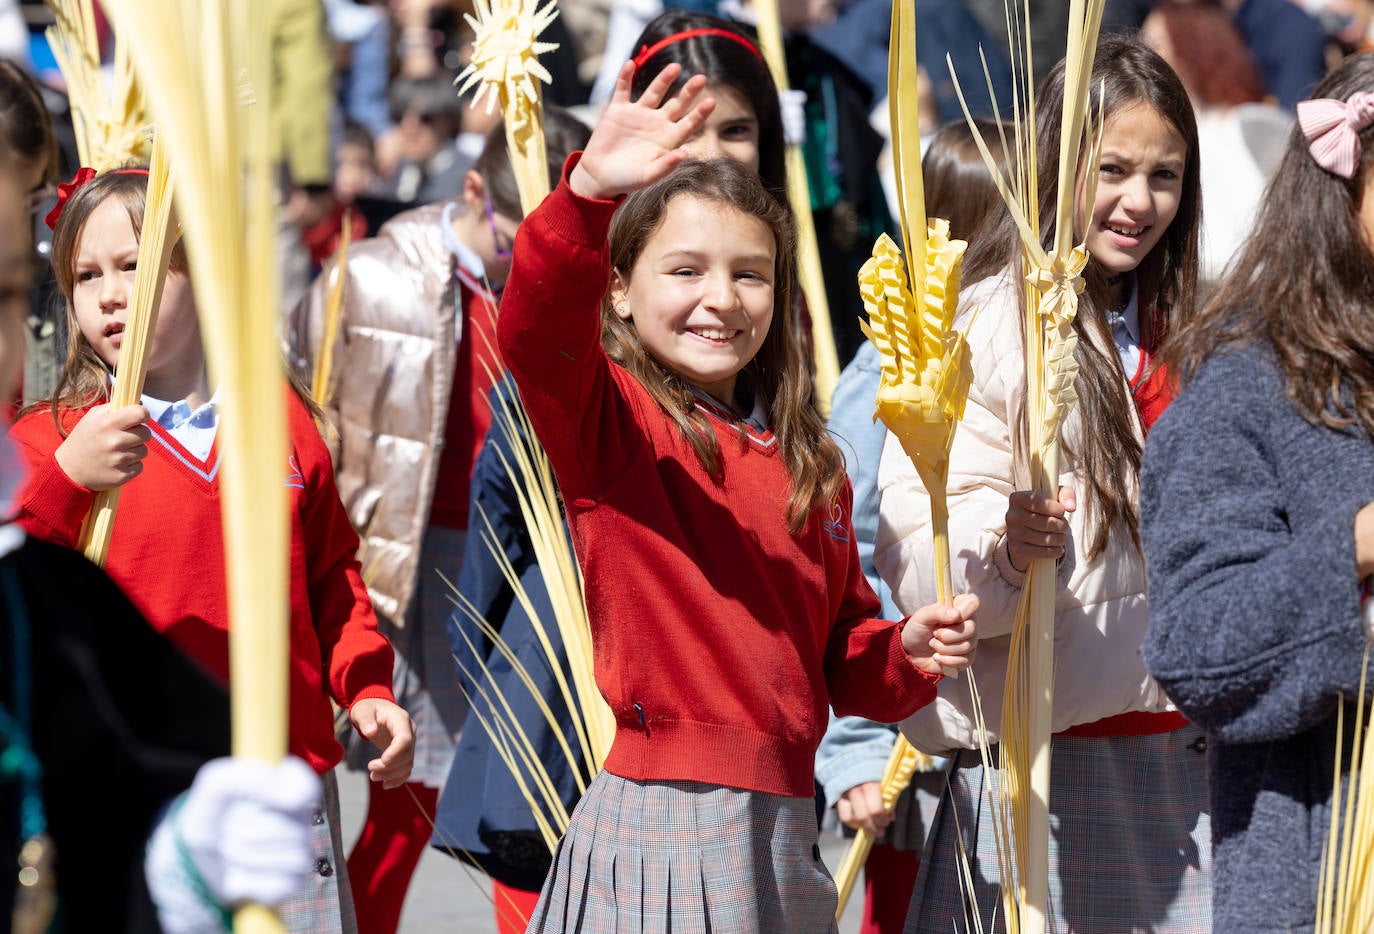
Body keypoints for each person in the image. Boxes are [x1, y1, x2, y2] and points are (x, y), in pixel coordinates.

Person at [498, 61, 979, 931]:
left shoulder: (816, 463)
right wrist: (590, 194)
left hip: (783, 827)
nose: (720, 299)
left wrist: (906, 649)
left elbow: (841, 658)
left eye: (749, 274)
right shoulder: (615, 425)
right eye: (684, 271)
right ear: (620, 289)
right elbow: (534, 329)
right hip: (664, 818)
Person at [433, 21, 793, 930]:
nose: (707, 155)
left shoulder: (791, 382)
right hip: (592, 718)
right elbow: (499, 530)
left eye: (735, 130)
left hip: (773, 810)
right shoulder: (598, 385)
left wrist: (896, 664)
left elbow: (829, 617)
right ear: (625, 284)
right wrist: (591, 190)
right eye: (681, 129)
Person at [7, 166, 413, 932]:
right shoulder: (54, 439)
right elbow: (18, 578)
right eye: (85, 275)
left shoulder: (281, 420)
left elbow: (332, 578)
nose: (109, 295)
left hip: (284, 786)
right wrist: (67, 480)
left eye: (135, 265)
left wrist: (366, 685)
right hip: (149, 794)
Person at [876, 35, 1212, 930]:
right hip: (1046, 756)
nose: (1139, 202)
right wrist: (1006, 548)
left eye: (1165, 176)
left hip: (1191, 753)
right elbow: (923, 538)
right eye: (1111, 169)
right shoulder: (991, 318)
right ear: (1055, 164)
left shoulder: (1202, 326)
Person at [287, 106, 589, 934]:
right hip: (414, 560)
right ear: (471, 192)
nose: (529, 261)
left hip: (525, 558)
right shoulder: (368, 277)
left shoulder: (575, 287)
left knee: (517, 788)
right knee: (412, 798)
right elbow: (309, 412)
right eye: (515, 237)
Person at [1139, 50, 1374, 932]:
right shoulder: (1248, 382)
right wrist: (1352, 545)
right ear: (1339, 192)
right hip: (1331, 862)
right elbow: (1199, 646)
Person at [816, 116, 1007, 934]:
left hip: (1013, 725)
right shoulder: (890, 376)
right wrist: (854, 746)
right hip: (914, 737)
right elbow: (844, 560)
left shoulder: (1030, 352)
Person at [1140, 0, 1293, 286]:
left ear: (1193, 48)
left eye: (1155, 44)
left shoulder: (1252, 127)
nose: (1142, 52)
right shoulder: (1158, 138)